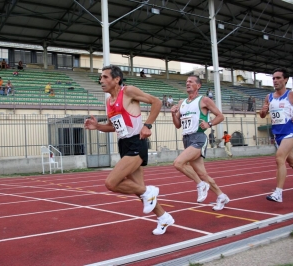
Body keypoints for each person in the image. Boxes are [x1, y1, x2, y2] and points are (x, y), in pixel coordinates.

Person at [84, 65, 174, 235]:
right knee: (139, 189)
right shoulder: (108, 101)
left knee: (111, 183)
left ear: (116, 79)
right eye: (100, 78)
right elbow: (113, 127)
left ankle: (150, 191)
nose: (101, 80)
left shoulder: (128, 91)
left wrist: (147, 125)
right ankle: (163, 217)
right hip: (123, 144)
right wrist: (97, 126)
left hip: (136, 142)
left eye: (104, 77)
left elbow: (157, 102)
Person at [171, 75, 230, 211]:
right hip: (186, 139)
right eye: (186, 82)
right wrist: (173, 114)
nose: (188, 83)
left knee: (178, 163)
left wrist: (209, 124)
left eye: (191, 82)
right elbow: (178, 125)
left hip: (198, 138)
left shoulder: (204, 100)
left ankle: (200, 184)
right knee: (203, 174)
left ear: (198, 86)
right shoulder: (182, 103)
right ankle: (221, 196)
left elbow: (220, 116)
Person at [259, 67, 293, 202]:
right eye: (273, 78)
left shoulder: (292, 94)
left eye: (278, 78)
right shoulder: (269, 97)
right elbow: (262, 115)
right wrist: (263, 110)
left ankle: (278, 193)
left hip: (290, 132)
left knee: (279, 158)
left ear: (286, 80)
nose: (275, 81)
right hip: (278, 134)